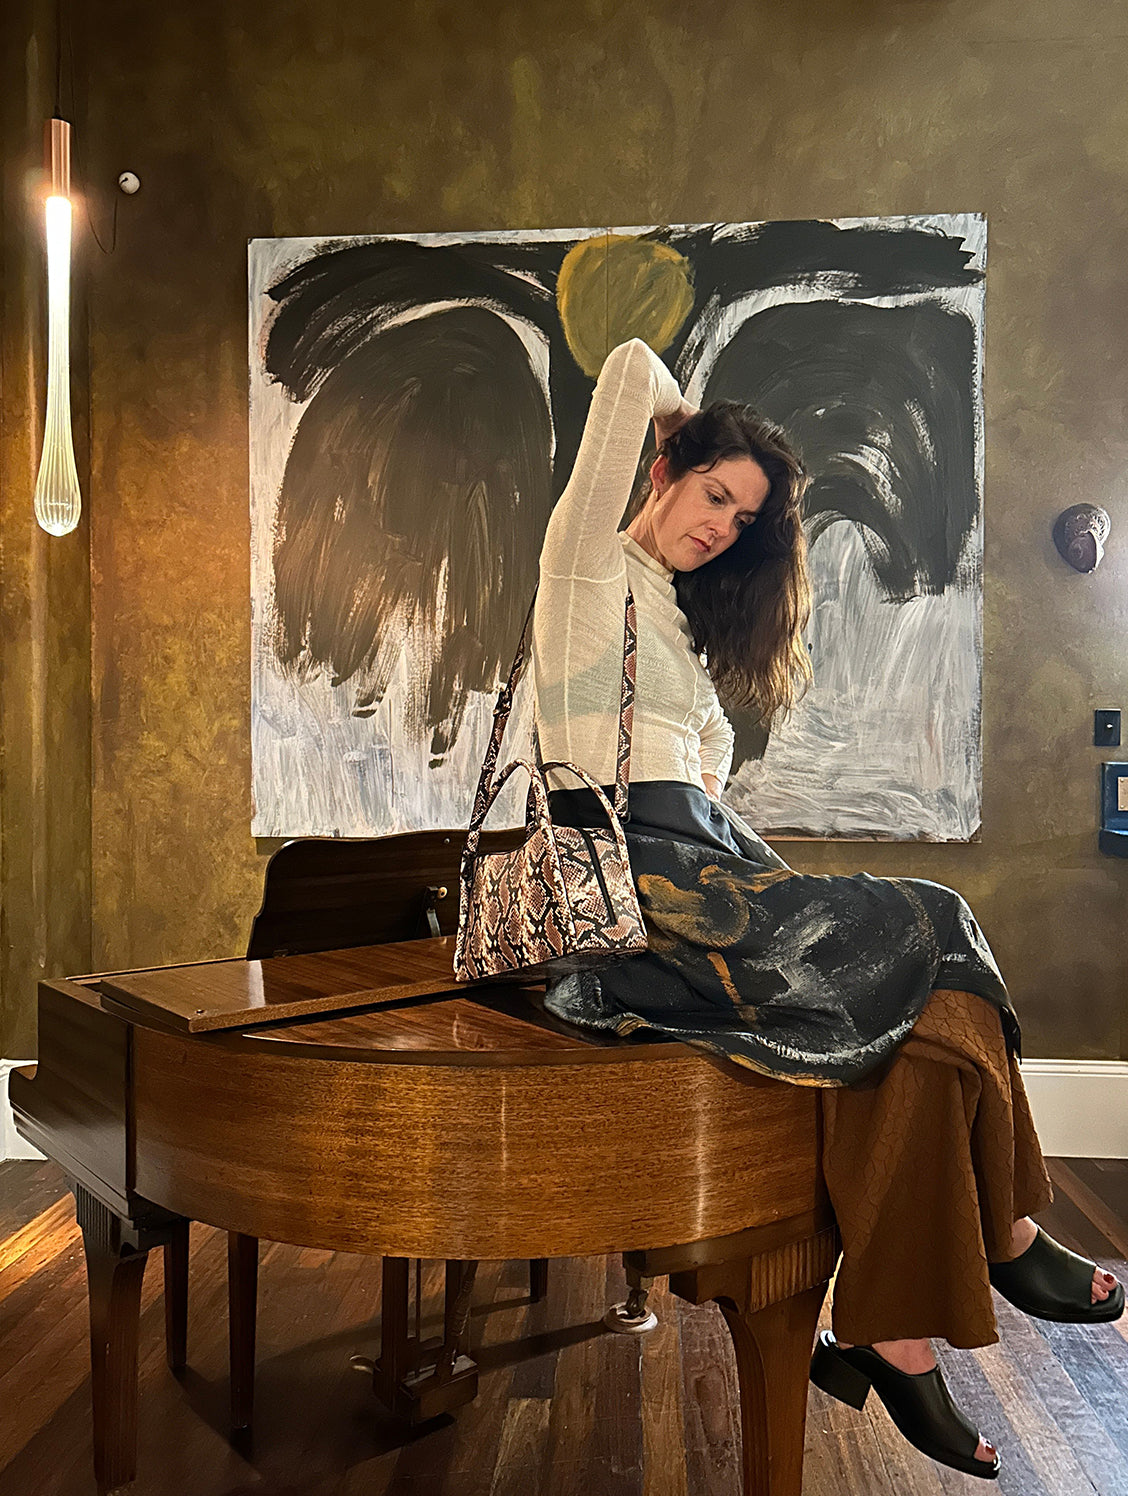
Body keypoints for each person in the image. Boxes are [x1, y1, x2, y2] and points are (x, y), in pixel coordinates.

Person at [530, 336, 1123, 1482]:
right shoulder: (582, 568)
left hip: (707, 864)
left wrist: (767, 865)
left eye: (745, 517)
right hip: (629, 884)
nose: (724, 526)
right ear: (663, 470)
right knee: (936, 917)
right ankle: (1003, 1239)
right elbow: (632, 366)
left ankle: (892, 1333)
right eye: (716, 494)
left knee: (926, 998)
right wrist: (692, 429)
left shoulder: (675, 613)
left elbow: (706, 780)